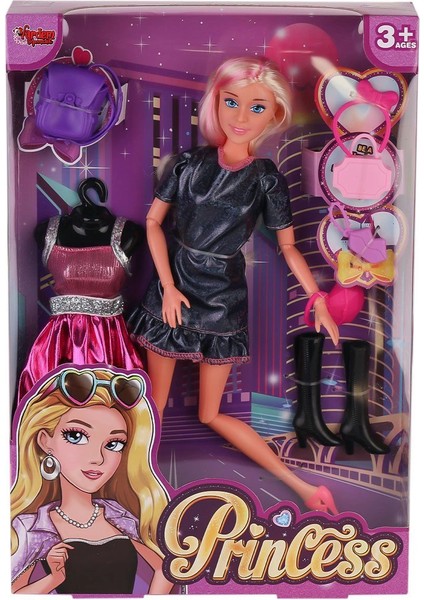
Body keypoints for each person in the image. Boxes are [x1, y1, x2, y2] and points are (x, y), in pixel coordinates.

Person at [128, 56, 339, 514]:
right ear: (216, 102)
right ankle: (135, 491)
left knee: (210, 412)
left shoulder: (265, 178)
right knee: (154, 404)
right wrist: (168, 285)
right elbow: (152, 223)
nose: (241, 117)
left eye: (257, 107)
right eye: (231, 102)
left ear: (275, 114)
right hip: (175, 290)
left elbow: (287, 247)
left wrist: (317, 297)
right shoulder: (188, 164)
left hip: (223, 299)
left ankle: (302, 487)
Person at [11, 366, 173, 594]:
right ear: (45, 441)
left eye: (114, 444)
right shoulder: (32, 528)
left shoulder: (121, 515)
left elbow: (166, 568)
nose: (98, 458)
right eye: (75, 436)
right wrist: (53, 579)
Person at [17, 177, 145, 404]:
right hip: (61, 339)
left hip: (109, 338)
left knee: (110, 402)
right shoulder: (47, 232)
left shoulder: (129, 233)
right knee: (56, 402)